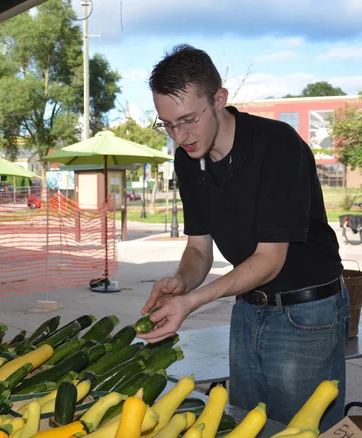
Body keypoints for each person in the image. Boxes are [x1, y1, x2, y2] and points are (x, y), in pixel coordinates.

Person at [140, 44, 348, 431]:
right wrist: (181, 282)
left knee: (296, 429)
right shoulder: (189, 159)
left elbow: (270, 259)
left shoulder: (277, 145)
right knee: (244, 425)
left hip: (306, 312)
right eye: (166, 125)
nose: (179, 135)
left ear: (219, 99)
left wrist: (193, 301)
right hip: (248, 308)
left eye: (187, 120)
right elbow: (198, 248)